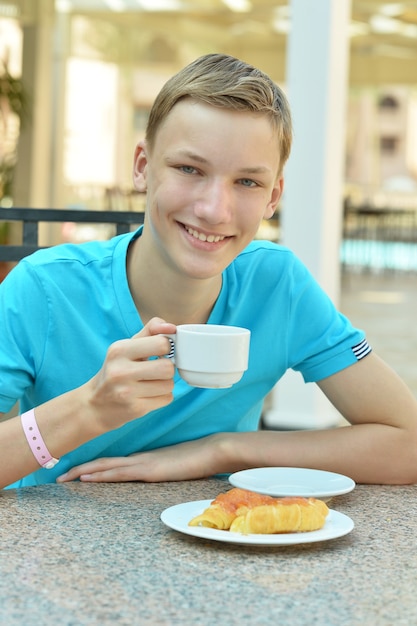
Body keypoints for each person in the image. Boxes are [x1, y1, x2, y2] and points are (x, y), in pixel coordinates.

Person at [1, 53, 417, 491]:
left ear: (273, 196)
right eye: (189, 169)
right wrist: (87, 409)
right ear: (143, 167)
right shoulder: (44, 289)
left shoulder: (278, 286)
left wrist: (222, 450)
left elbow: (407, 445)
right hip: (56, 550)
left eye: (247, 182)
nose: (214, 210)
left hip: (221, 541)